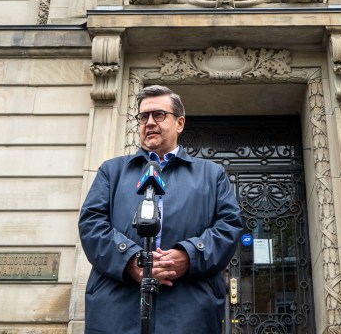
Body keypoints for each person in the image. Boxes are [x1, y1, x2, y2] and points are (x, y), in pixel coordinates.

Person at [79, 85, 242, 333]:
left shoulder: (211, 174)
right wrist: (130, 260)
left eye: (158, 115)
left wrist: (188, 257)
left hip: (189, 311)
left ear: (180, 123)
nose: (149, 122)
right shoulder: (111, 171)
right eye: (143, 116)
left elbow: (228, 227)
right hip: (116, 312)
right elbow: (91, 224)